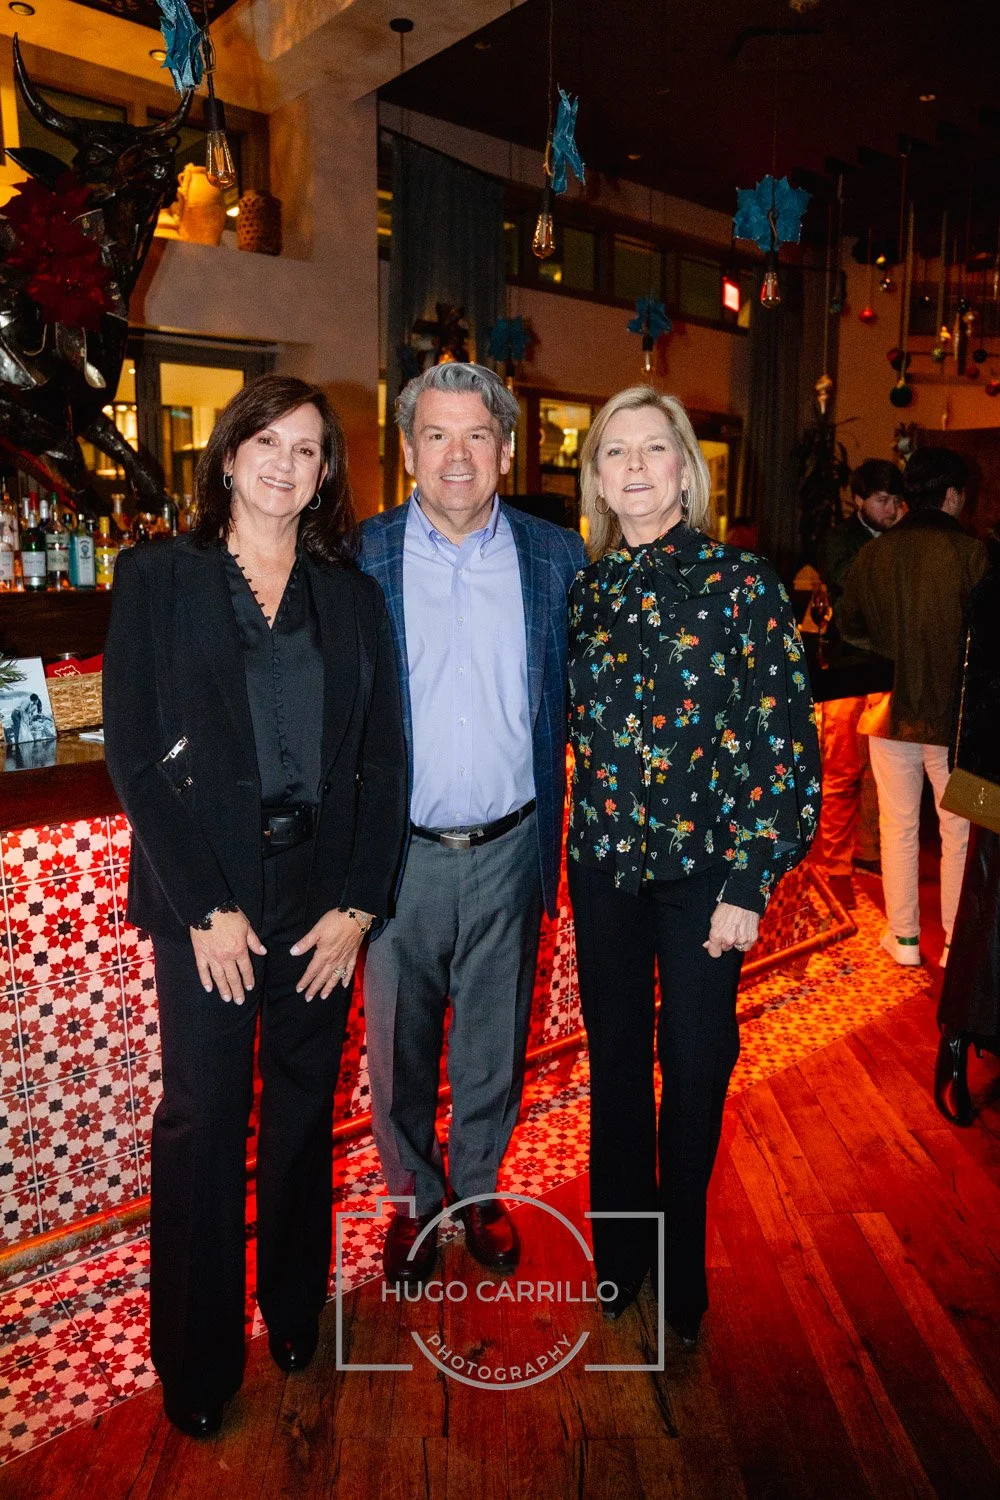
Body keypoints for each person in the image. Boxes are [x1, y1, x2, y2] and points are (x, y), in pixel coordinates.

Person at [102, 375, 407, 1439]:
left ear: (327, 474)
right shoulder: (157, 578)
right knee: (200, 1119)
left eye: (309, 449)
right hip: (207, 908)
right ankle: (194, 1352)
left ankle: (289, 1305)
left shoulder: (354, 595)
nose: (287, 463)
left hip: (321, 905)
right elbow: (135, 757)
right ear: (227, 456)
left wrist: (360, 908)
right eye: (267, 442)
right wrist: (204, 908)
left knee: (298, 1113)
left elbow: (383, 761)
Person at [567, 386, 820, 1341]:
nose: (633, 468)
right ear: (595, 476)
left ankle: (680, 1258)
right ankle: (621, 1251)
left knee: (700, 1062)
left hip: (706, 875)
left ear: (686, 469)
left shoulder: (742, 584)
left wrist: (751, 881)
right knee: (619, 1061)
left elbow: (782, 739)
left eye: (652, 450)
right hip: (603, 867)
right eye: (614, 453)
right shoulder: (584, 591)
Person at [358, 361, 586, 1285]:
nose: (458, 456)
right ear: (409, 450)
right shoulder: (359, 555)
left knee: (494, 1042)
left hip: (510, 843)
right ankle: (414, 1203)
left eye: (477, 435)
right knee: (397, 1049)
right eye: (438, 436)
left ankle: (481, 1188)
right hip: (396, 855)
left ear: (506, 447)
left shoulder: (556, 556)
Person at [840, 447, 987, 966]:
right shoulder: (974, 556)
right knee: (963, 830)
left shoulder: (875, 554)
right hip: (960, 720)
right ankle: (954, 943)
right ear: (951, 495)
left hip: (889, 710)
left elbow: (847, 626)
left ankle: (903, 939)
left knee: (897, 826)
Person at [814, 460, 904, 901]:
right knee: (842, 768)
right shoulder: (837, 538)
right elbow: (850, 583)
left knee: (880, 771)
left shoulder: (900, 537)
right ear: (858, 499)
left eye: (896, 501)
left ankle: (867, 851)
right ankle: (832, 863)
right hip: (847, 666)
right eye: (883, 500)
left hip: (888, 663)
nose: (892, 510)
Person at [935, 528, 1000, 1124]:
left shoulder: (989, 583)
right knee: (985, 914)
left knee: (984, 910)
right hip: (991, 776)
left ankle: (960, 1035)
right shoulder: (989, 583)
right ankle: (959, 1036)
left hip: (986, 771)